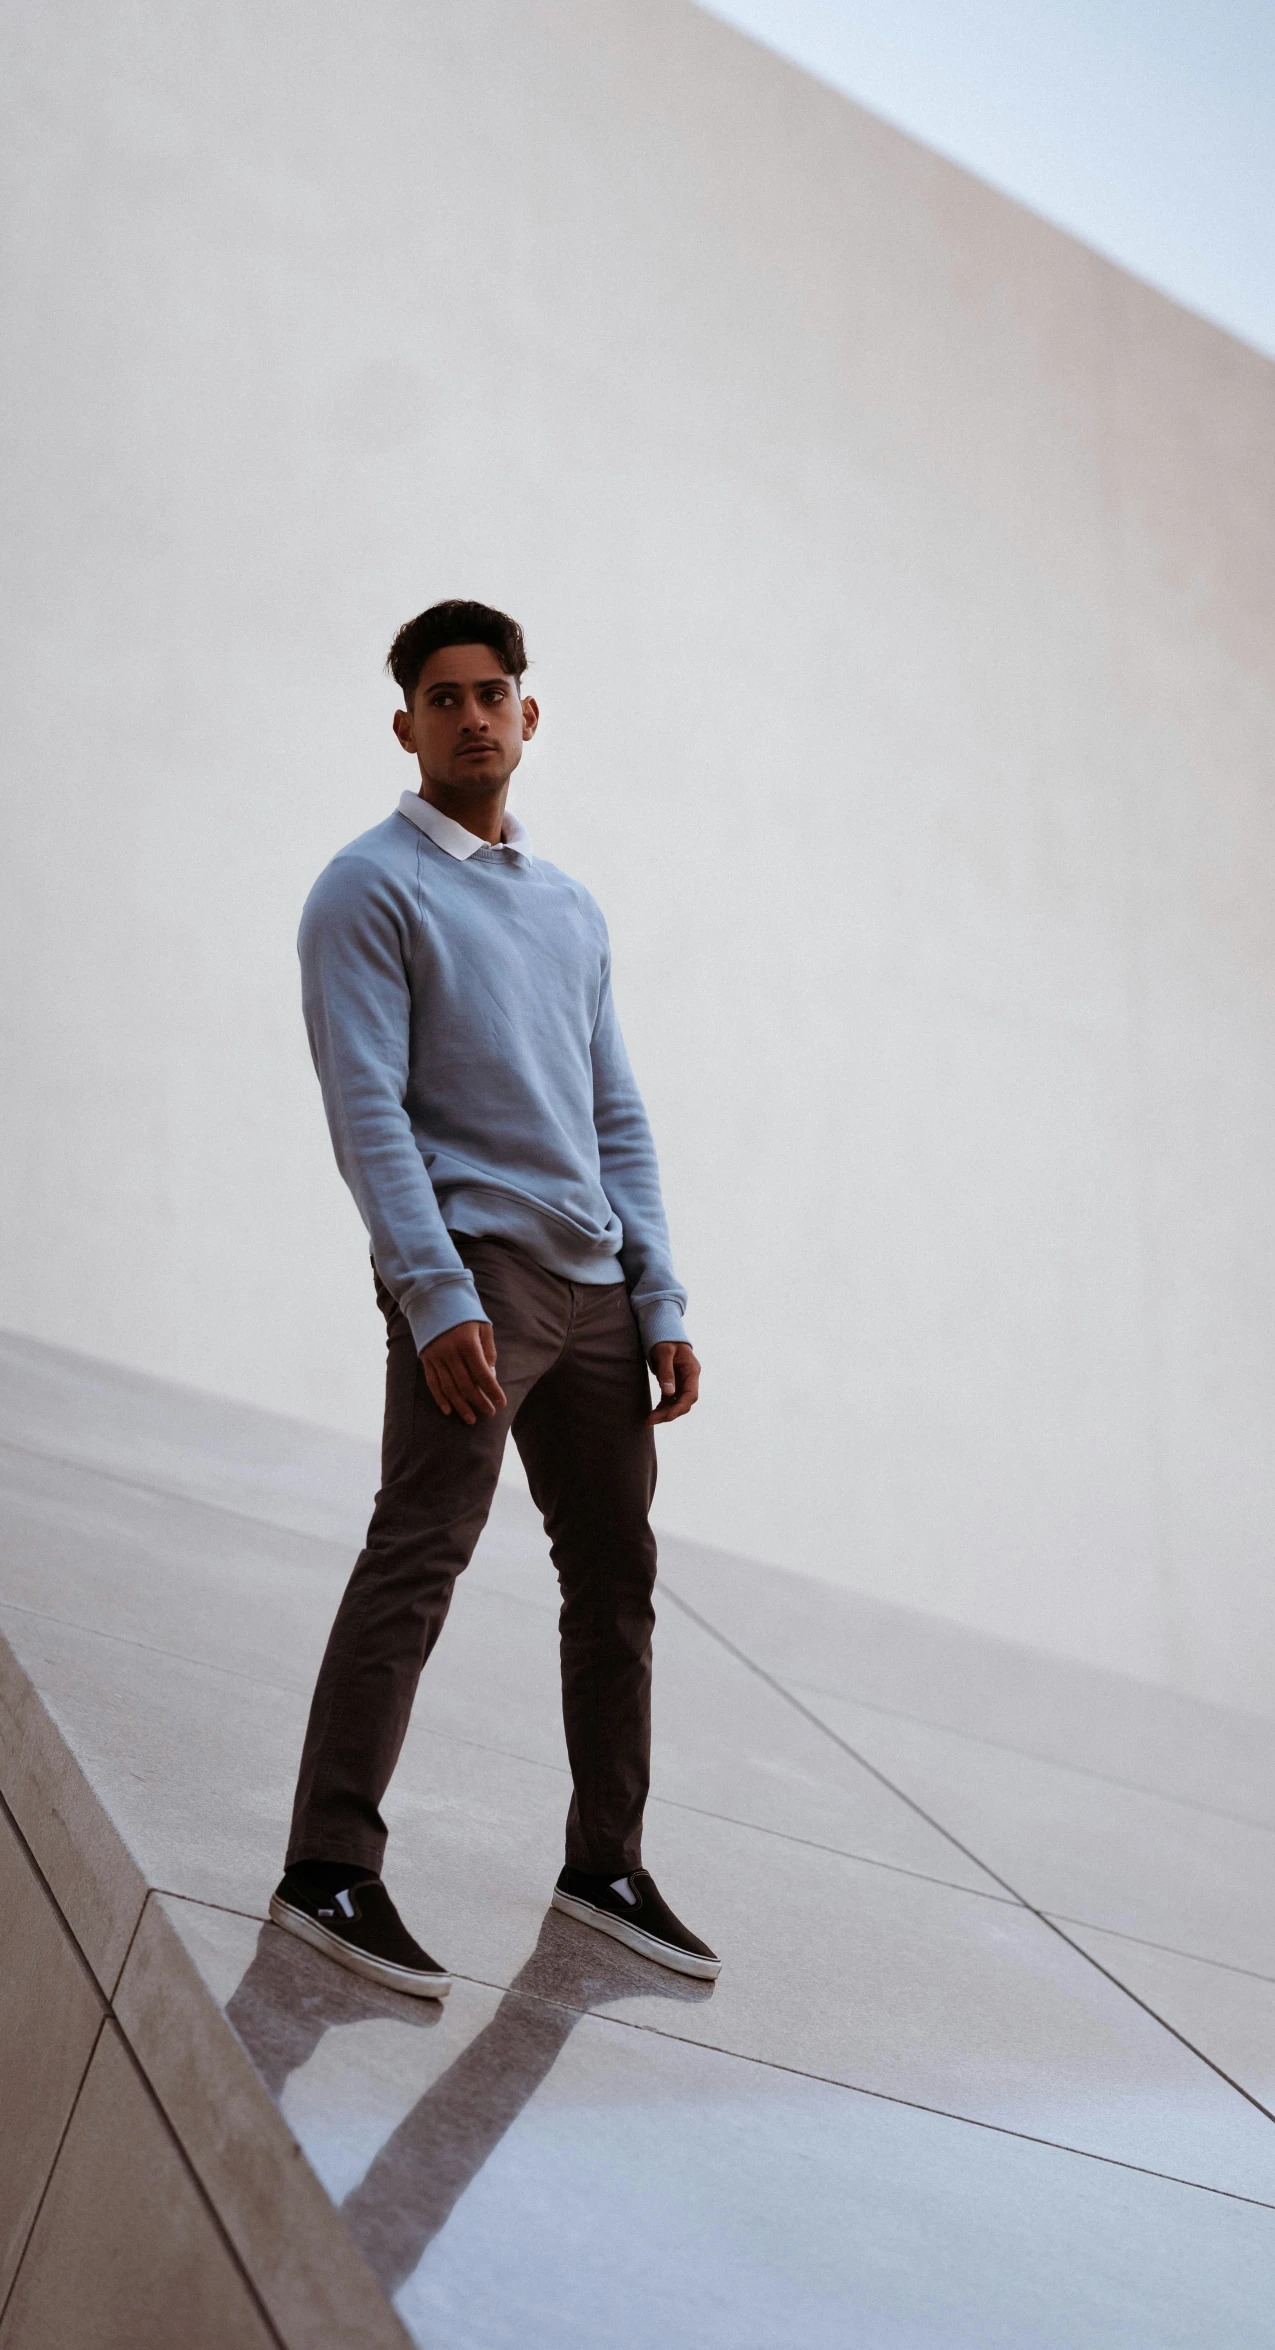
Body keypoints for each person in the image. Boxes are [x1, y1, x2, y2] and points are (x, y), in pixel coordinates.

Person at [269, 599, 717, 1998]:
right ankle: (327, 1867)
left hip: (591, 1289)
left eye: (493, 692)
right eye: (443, 695)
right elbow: (367, 1110)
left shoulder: (568, 906)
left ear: (529, 716)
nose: (471, 714)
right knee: (419, 1553)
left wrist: (660, 1292)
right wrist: (432, 1289)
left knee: (617, 1580)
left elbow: (616, 1113)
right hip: (474, 1282)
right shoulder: (367, 887)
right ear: (405, 723)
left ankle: (606, 1863)